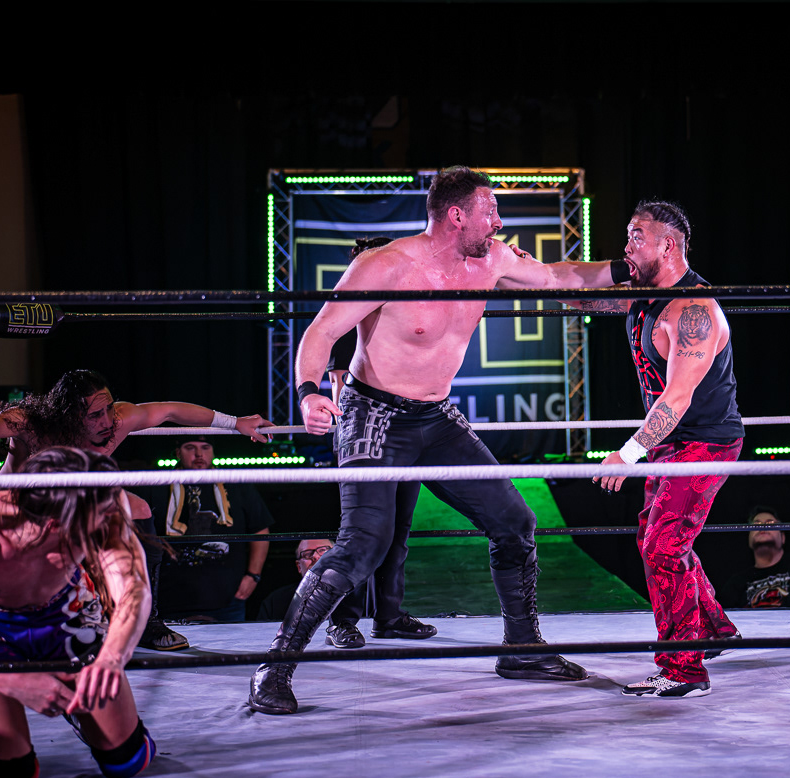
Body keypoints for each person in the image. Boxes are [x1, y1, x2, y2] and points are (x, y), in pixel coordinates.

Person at [250, 166, 624, 714]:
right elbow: (320, 332)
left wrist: (629, 269)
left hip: (436, 416)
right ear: (456, 216)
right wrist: (308, 394)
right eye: (489, 212)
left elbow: (559, 276)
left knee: (515, 521)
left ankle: (522, 649)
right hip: (373, 413)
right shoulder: (385, 266)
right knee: (363, 544)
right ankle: (274, 666)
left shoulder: (492, 260)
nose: (499, 222)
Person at [0, 369, 272, 651]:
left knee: (138, 508)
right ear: (69, 416)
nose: (107, 421)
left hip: (74, 499)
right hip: (17, 506)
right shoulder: (33, 422)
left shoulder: (118, 420)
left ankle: (146, 622)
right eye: (94, 415)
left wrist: (235, 422)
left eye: (107, 408)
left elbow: (170, 410)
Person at [577, 200, 744, 699]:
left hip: (705, 441)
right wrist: (512, 272)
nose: (626, 246)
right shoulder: (641, 297)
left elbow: (677, 398)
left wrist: (627, 454)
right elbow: (579, 296)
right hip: (670, 442)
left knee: (663, 546)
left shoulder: (694, 310)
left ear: (667, 245)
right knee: (657, 539)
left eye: (636, 237)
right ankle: (713, 629)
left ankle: (684, 670)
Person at [0, 448, 156, 778]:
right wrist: (12, 681)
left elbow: (133, 589)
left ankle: (83, 712)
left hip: (66, 612)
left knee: (127, 760)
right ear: (55, 525)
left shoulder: (99, 500)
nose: (110, 522)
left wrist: (112, 657)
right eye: (97, 522)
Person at [321, 236, 437, 648]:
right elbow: (339, 385)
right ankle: (342, 620)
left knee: (398, 530)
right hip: (364, 432)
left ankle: (389, 616)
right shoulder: (350, 317)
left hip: (408, 430)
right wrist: (346, 433)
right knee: (363, 534)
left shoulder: (406, 314)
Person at [135, 437, 273, 622]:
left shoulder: (236, 483)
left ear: (213, 452)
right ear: (178, 453)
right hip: (167, 598)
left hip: (227, 599)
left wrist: (253, 576)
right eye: (190, 447)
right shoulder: (156, 485)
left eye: (205, 447)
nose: (199, 454)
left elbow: (260, 529)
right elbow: (136, 535)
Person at [717, 507, 790, 608]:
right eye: (756, 524)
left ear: (782, 537)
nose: (763, 526)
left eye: (770, 523)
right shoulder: (736, 583)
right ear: (749, 538)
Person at [258, 539, 334, 622]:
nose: (315, 556)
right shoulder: (275, 602)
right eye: (307, 554)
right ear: (299, 567)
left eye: (323, 550)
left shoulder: (346, 597)